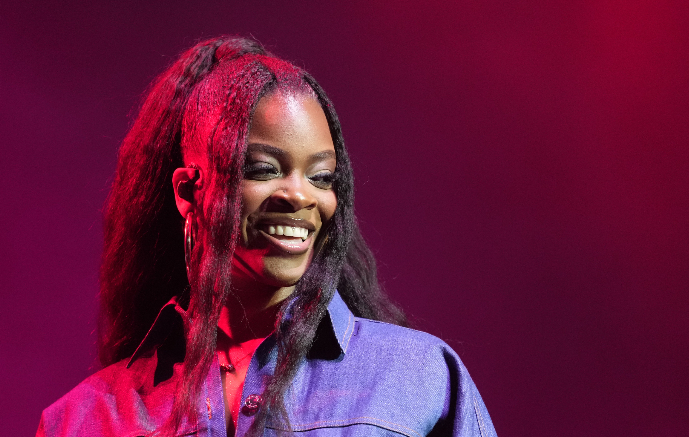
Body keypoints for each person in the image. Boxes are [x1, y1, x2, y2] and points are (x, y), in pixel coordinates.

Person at [37, 36, 497, 437]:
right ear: (186, 192)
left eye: (321, 177)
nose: (299, 195)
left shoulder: (421, 378)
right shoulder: (80, 419)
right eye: (263, 169)